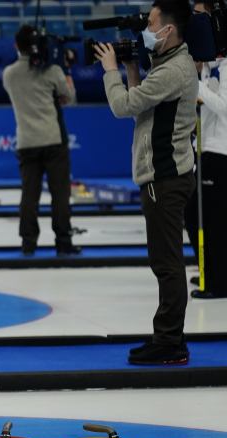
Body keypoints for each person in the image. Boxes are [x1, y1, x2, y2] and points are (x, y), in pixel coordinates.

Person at [97, 0, 197, 365]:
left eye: (151, 22)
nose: (145, 28)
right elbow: (142, 106)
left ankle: (171, 343)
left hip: (166, 179)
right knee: (164, 260)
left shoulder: (174, 70)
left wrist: (110, 71)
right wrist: (131, 67)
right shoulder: (168, 64)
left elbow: (122, 106)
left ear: (167, 30)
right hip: (165, 177)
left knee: (167, 263)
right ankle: (166, 336)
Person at [3, 25, 82, 257]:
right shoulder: (53, 70)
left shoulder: (9, 74)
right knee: (60, 194)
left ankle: (28, 244)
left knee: (29, 195)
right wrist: (66, 68)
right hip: (53, 139)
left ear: (17, 46)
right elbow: (70, 97)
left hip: (27, 141)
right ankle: (63, 242)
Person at [184, 0, 226, 299]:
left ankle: (218, 282)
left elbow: (224, 108)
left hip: (221, 151)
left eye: (199, 15)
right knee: (195, 214)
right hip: (205, 148)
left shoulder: (226, 65)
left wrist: (196, 83)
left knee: (214, 219)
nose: (194, 21)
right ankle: (209, 272)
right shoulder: (210, 63)